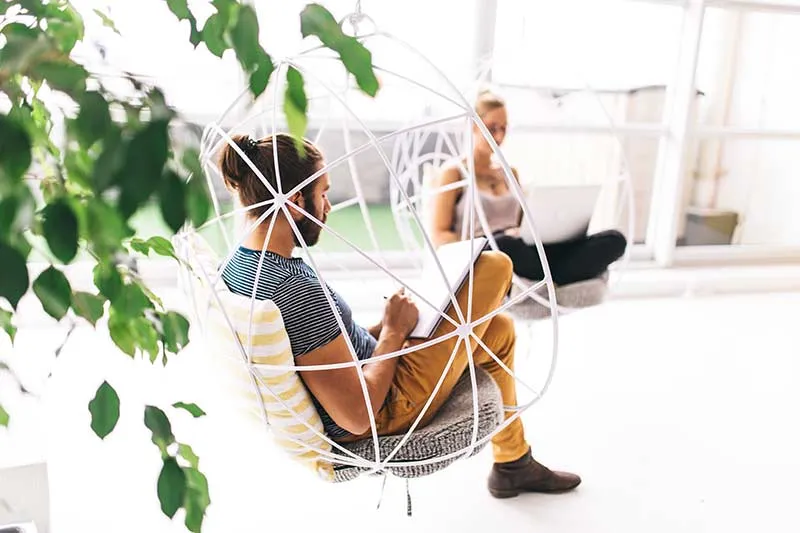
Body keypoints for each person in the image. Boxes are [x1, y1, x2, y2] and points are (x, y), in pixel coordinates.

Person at [220, 133, 580, 497]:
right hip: (385, 410)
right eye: (323, 193)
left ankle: (513, 463)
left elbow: (322, 350)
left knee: (497, 329)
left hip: (375, 366)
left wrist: (386, 326)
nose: (327, 207)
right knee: (494, 265)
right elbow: (357, 415)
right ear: (295, 201)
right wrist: (393, 333)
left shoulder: (242, 264)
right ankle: (514, 463)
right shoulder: (292, 287)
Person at [429, 90, 627, 286]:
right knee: (504, 245)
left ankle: (552, 275)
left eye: (504, 128)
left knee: (614, 240)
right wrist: (474, 248)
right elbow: (439, 233)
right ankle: (564, 272)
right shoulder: (454, 172)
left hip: (523, 250)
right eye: (491, 128)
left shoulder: (509, 172)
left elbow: (523, 224)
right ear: (473, 126)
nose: (498, 136)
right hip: (490, 252)